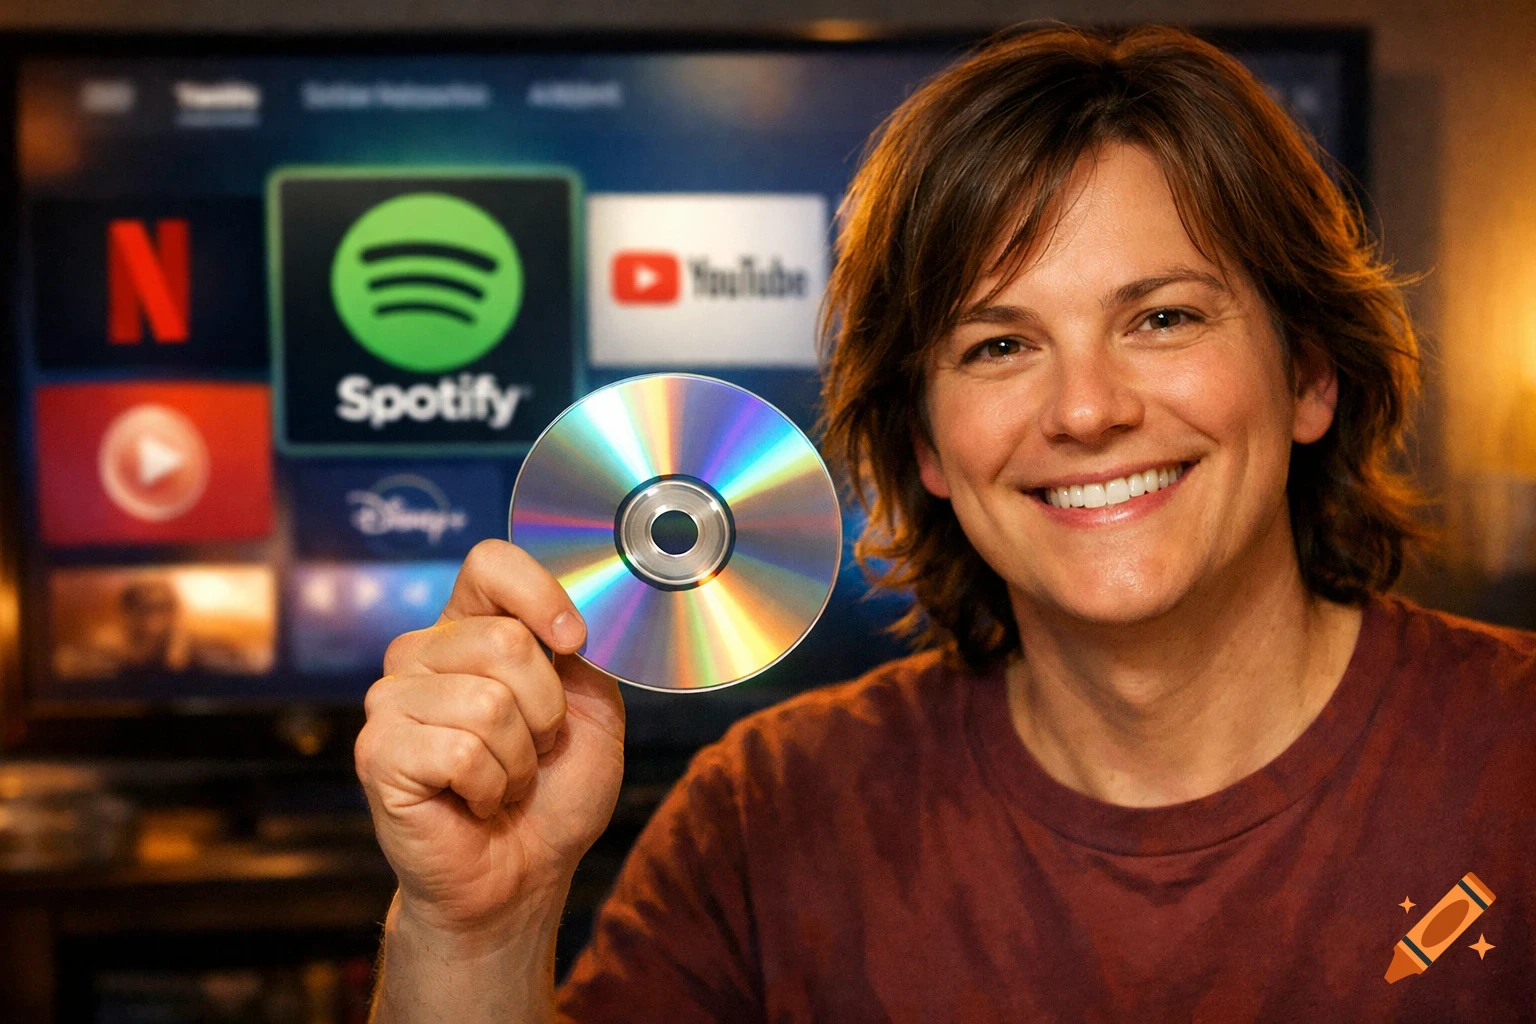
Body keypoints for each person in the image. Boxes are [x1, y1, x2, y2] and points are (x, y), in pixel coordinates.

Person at [354, 23, 1536, 1023]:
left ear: (1311, 374)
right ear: (924, 442)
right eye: (1000, 345)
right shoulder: (766, 814)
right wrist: (475, 928)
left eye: (1164, 318)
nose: (1085, 408)